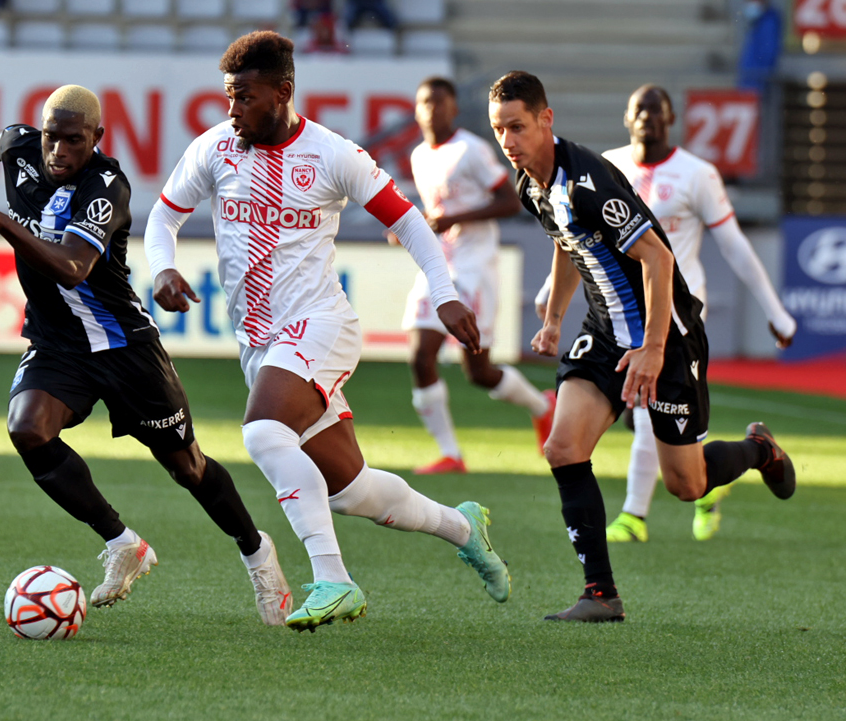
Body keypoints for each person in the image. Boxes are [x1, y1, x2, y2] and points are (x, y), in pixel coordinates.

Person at [145, 31, 510, 633]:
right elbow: (164, 216)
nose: (232, 110)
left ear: (283, 92)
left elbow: (411, 222)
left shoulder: (333, 153)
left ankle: (334, 580)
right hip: (261, 345)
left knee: (263, 433)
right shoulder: (215, 148)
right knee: (351, 490)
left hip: (321, 325)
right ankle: (464, 527)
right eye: (228, 97)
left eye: (245, 97)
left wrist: (444, 295)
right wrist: (163, 266)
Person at [0, 85, 294, 626]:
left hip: (123, 345)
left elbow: (73, 268)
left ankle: (257, 552)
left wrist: (3, 223)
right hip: (59, 342)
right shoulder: (26, 146)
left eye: (73, 141)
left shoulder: (106, 185)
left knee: (187, 468)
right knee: (27, 428)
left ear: (96, 139)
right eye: (51, 138)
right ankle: (123, 541)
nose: (58, 152)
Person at [490, 71, 796, 623]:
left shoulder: (589, 179)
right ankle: (601, 594)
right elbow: (568, 243)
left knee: (687, 484)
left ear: (546, 120)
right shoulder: (529, 182)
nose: (508, 140)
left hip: (669, 336)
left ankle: (759, 450)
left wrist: (654, 349)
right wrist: (555, 318)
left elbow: (658, 258)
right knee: (563, 448)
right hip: (606, 332)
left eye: (517, 127)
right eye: (499, 130)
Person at [401, 76, 554, 475]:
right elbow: (435, 211)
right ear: (416, 110)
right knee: (420, 356)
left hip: (474, 268)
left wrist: (452, 218)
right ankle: (451, 453)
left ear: (453, 108)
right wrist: (412, 228)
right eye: (424, 102)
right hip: (438, 268)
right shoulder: (419, 155)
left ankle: (542, 406)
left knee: (479, 372)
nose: (431, 109)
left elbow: (508, 201)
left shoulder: (471, 149)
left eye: (439, 102)